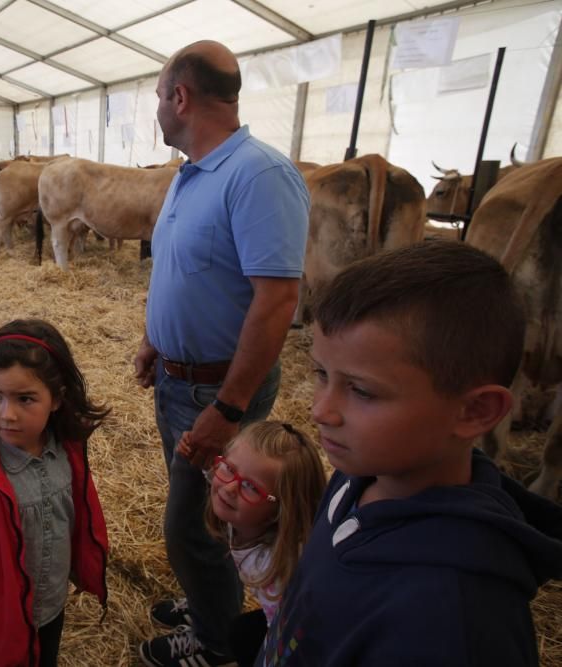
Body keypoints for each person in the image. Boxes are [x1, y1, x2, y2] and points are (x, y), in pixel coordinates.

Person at [257, 241, 562, 665]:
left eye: (361, 390)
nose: (320, 409)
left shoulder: (453, 620)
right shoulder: (359, 474)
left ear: (475, 411)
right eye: (321, 374)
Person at [132, 41, 310, 666]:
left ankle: (216, 643)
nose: (157, 109)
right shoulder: (193, 173)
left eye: (158, 96)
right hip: (182, 381)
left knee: (195, 525)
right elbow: (186, 270)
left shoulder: (258, 174)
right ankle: (212, 600)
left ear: (181, 97)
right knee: (203, 519)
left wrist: (230, 409)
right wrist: (157, 339)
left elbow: (277, 301)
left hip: (216, 391)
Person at [0, 319, 110, 667]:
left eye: (25, 398)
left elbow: (78, 516)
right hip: (0, 623)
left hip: (51, 606)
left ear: (57, 399)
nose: (7, 414)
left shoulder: (68, 452)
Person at [144, 421, 324, 667]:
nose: (229, 489)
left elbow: (285, 628)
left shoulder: (278, 569)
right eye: (228, 468)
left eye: (250, 486)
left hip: (291, 630)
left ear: (282, 509)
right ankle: (203, 607)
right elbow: (223, 477)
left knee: (243, 638)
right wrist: (200, 460)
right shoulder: (245, 511)